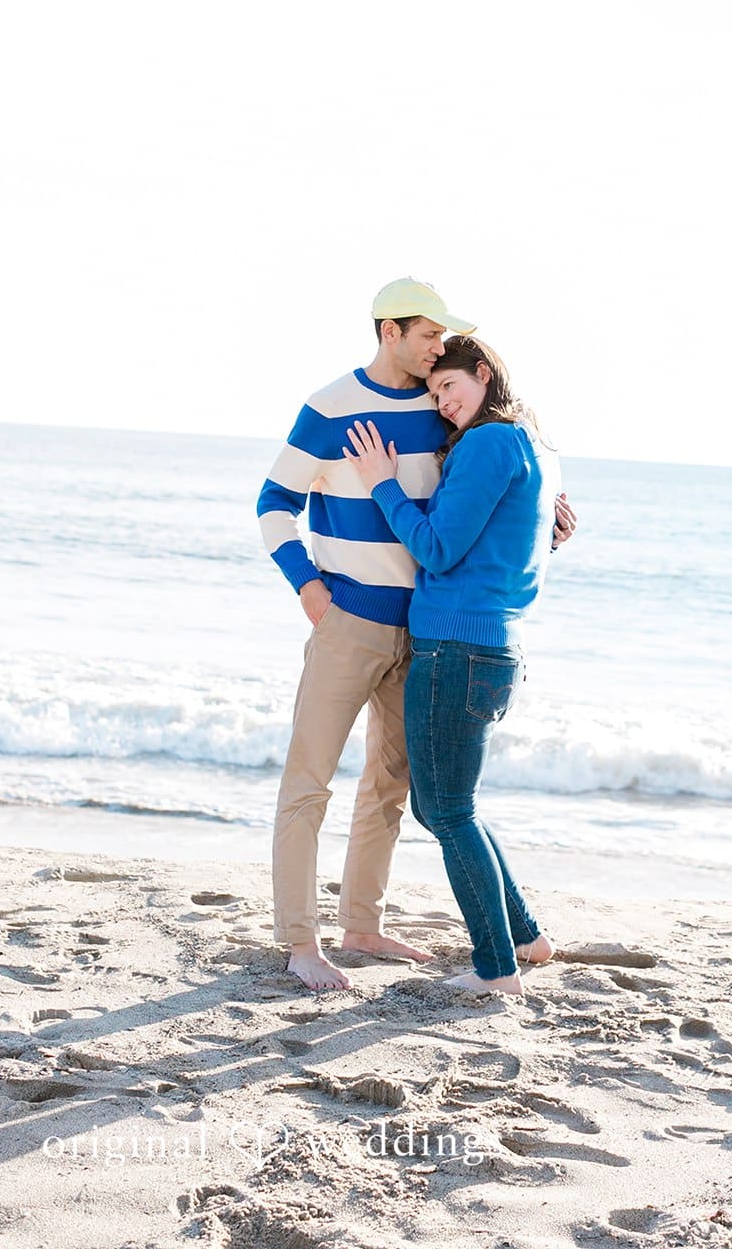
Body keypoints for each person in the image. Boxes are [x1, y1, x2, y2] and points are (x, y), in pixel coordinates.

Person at [257, 280, 575, 993]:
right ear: (390, 330)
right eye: (429, 334)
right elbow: (272, 503)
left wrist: (543, 522)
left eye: (446, 347)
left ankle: (361, 925)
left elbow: (475, 516)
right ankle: (301, 942)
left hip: (426, 631)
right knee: (308, 783)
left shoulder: (446, 418)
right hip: (349, 621)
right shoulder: (331, 406)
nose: (439, 350)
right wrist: (306, 586)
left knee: (390, 787)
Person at [343, 334, 561, 996]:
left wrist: (382, 485)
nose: (442, 404)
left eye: (449, 387)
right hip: (491, 649)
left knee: (445, 812)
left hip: (456, 648)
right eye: (434, 394)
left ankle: (496, 969)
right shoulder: (533, 447)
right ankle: (524, 936)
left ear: (484, 373)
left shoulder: (489, 443)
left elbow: (436, 549)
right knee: (451, 808)